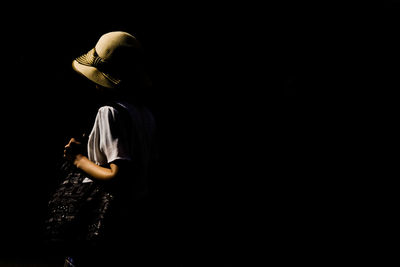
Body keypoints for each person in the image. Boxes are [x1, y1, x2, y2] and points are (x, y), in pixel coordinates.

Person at [46, 31, 157, 266]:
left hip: (102, 219)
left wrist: (77, 159)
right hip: (133, 218)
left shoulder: (109, 113)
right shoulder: (145, 114)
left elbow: (117, 175)